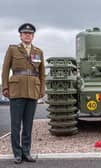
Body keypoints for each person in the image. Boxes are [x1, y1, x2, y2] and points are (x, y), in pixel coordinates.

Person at [1, 23, 45, 164]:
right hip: (17, 90)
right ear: (20, 35)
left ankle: (26, 152)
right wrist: (5, 87)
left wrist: (42, 90)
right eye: (25, 33)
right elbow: (5, 69)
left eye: (30, 33)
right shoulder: (13, 50)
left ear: (33, 36)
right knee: (15, 124)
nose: (27, 35)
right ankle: (17, 154)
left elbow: (42, 74)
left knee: (28, 125)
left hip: (32, 91)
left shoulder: (38, 52)